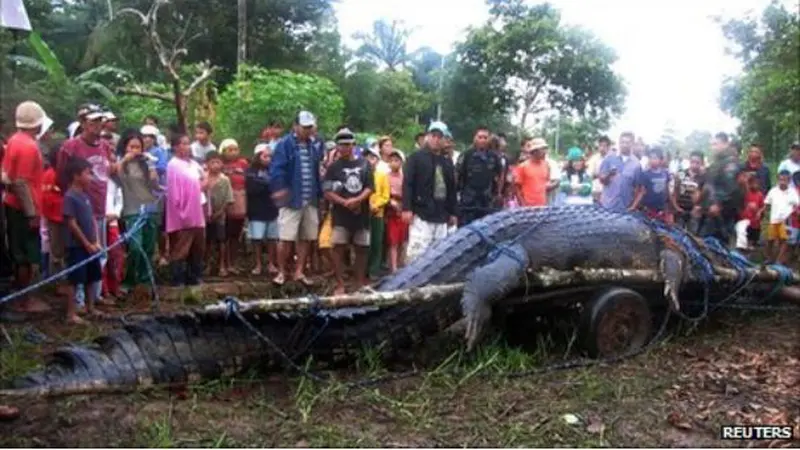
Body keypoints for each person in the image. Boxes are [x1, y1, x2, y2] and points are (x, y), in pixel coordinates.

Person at [57, 103, 116, 305]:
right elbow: (61, 176)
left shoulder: (105, 146)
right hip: (77, 205)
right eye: (93, 121)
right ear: (83, 123)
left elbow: (110, 171)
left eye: (100, 121)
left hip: (99, 205)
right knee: (79, 253)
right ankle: (78, 301)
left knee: (99, 253)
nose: (98, 125)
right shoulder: (70, 147)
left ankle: (95, 296)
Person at [1, 101, 49, 313]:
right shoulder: (28, 146)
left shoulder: (13, 140)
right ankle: (24, 300)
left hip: (12, 204)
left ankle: (21, 296)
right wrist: (32, 213)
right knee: (26, 255)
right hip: (23, 207)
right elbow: (21, 183)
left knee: (18, 250)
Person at [270, 111, 324, 287]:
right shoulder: (284, 145)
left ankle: (299, 271)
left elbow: (317, 171)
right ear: (295, 127)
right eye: (304, 127)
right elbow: (277, 170)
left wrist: (320, 195)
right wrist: (280, 190)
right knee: (286, 238)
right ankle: (281, 272)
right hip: (291, 199)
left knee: (306, 237)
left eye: (310, 127)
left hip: (310, 198)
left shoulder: (313, 146)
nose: (308, 130)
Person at [323, 128, 374, 294]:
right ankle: (340, 283)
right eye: (341, 145)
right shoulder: (333, 167)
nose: (344, 148)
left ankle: (359, 283)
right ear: (337, 147)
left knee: (362, 248)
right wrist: (344, 202)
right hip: (340, 214)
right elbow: (327, 191)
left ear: (353, 145)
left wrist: (357, 200)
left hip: (361, 213)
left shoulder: (365, 164)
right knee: (338, 247)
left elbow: (369, 187)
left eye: (347, 145)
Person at [402, 121, 457, 263]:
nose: (436, 139)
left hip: (441, 214)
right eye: (433, 135)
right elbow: (408, 183)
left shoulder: (447, 162)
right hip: (421, 214)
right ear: (427, 136)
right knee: (417, 255)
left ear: (445, 139)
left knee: (439, 257)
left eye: (440, 137)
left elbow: (451, 188)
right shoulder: (415, 158)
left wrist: (453, 212)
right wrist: (406, 208)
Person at [62, 157, 103, 323]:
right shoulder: (70, 197)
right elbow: (71, 223)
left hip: (91, 245)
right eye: (88, 173)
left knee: (92, 277)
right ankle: (71, 314)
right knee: (74, 279)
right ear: (76, 176)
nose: (91, 177)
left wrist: (97, 240)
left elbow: (92, 219)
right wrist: (86, 243)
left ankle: (90, 307)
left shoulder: (85, 196)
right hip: (77, 246)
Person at [116, 133, 159, 292]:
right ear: (125, 147)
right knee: (135, 247)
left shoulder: (145, 163)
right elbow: (117, 174)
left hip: (149, 207)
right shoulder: (122, 164)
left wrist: (152, 166)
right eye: (131, 147)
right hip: (131, 209)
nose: (135, 150)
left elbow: (154, 185)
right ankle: (130, 279)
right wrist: (126, 159)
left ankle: (145, 281)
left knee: (148, 247)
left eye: (138, 147)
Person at [165, 133, 207, 286]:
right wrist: (180, 210)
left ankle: (194, 276)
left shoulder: (194, 164)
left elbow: (204, 178)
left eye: (188, 143)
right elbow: (174, 191)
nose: (187, 147)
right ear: (176, 146)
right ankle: (178, 279)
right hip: (183, 211)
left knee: (198, 245)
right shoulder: (173, 165)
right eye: (183, 143)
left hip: (198, 209)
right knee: (182, 245)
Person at [698, 132, 743, 245]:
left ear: (725, 144)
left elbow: (730, 187)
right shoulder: (717, 163)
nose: (713, 148)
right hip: (711, 209)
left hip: (722, 211)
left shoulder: (730, 163)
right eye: (712, 144)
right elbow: (710, 184)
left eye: (716, 144)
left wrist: (718, 204)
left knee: (720, 242)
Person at [456, 126, 503, 226]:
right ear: (475, 138)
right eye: (480, 137)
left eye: (485, 137)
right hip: (468, 200)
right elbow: (457, 174)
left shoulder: (494, 156)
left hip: (486, 200)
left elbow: (501, 174)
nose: (482, 140)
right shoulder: (466, 155)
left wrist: (498, 193)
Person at [245, 143, 279, 276]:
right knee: (257, 239)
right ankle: (258, 264)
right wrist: (267, 185)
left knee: (272, 238)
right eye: (265, 156)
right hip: (257, 210)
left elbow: (278, 186)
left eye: (270, 157)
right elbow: (252, 189)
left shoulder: (275, 170)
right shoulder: (250, 172)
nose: (268, 159)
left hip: (272, 209)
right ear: (258, 156)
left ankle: (271, 263)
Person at [220, 139, 248, 275]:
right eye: (229, 149)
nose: (233, 152)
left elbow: (248, 181)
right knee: (224, 235)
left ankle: (233, 263)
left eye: (235, 149)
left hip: (240, 202)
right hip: (224, 203)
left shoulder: (243, 164)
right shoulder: (219, 165)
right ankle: (223, 264)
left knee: (235, 235)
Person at [204, 151, 234, 277]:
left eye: (218, 162)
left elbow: (229, 199)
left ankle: (222, 265)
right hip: (205, 215)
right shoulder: (203, 178)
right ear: (207, 164)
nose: (215, 165)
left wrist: (220, 212)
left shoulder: (225, 180)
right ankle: (208, 265)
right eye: (212, 162)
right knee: (208, 241)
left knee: (221, 240)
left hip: (220, 215)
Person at [598, 131, 642, 212]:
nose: (624, 145)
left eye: (627, 143)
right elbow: (601, 180)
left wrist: (633, 206)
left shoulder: (636, 164)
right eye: (622, 142)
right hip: (607, 207)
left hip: (625, 209)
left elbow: (638, 188)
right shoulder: (609, 159)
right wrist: (609, 175)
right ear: (619, 143)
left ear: (632, 144)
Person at [364, 147, 390, 279]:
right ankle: (363, 269)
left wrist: (376, 205)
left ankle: (374, 269)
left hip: (378, 212)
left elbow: (386, 195)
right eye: (367, 157)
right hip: (363, 212)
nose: (370, 160)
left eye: (373, 158)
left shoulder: (382, 175)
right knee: (364, 242)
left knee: (377, 241)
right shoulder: (362, 174)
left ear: (377, 160)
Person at [763, 170, 799, 263]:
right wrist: (762, 212)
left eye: (785, 179)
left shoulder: (792, 192)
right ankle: (769, 258)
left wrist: (794, 212)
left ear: (789, 180)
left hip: (786, 220)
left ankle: (779, 260)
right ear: (778, 179)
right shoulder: (773, 191)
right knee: (769, 240)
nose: (782, 181)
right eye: (781, 179)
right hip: (774, 219)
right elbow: (767, 203)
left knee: (784, 240)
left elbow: (797, 204)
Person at [631, 147, 670, 221]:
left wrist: (668, 211)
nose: (652, 160)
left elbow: (667, 192)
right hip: (647, 209)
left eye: (655, 158)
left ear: (661, 160)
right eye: (650, 158)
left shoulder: (665, 173)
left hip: (661, 209)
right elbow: (641, 192)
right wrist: (633, 206)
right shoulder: (645, 174)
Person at [102, 171, 124, 298]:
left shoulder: (115, 182)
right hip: (99, 221)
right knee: (102, 257)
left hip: (113, 222)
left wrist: (115, 214)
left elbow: (119, 201)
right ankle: (104, 290)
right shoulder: (94, 181)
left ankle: (115, 287)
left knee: (115, 256)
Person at [385, 149, 408, 272]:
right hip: (391, 212)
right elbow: (384, 193)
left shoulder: (405, 177)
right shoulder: (386, 177)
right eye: (392, 160)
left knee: (403, 240)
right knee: (393, 241)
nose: (394, 163)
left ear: (401, 162)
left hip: (403, 210)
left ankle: (400, 265)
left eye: (397, 160)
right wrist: (390, 201)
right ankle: (393, 268)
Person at [513, 137, 552, 207]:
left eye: (545, 149)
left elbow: (546, 183)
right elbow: (517, 187)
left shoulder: (546, 165)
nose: (545, 152)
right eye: (542, 149)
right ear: (534, 151)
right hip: (527, 207)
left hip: (542, 206)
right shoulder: (523, 166)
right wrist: (522, 204)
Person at [673, 151, 706, 231]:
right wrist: (676, 207)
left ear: (702, 163)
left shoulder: (704, 177)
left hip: (694, 213)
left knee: (692, 237)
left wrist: (700, 208)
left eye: (697, 162)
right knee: (677, 235)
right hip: (680, 211)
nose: (694, 165)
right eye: (692, 162)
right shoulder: (681, 174)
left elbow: (706, 196)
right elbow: (675, 192)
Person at [735, 175, 765, 252]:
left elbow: (763, 206)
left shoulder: (760, 194)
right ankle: (745, 246)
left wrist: (759, 211)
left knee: (754, 233)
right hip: (746, 218)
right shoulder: (746, 193)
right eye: (753, 183)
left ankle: (751, 244)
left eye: (757, 184)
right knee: (745, 232)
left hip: (755, 220)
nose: (755, 185)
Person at [587, 135, 612, 202]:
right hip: (596, 192)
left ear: (608, 147)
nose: (601, 148)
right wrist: (601, 175)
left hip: (610, 193)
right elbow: (590, 175)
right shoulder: (594, 158)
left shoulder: (613, 158)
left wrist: (598, 175)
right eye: (600, 145)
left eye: (604, 146)